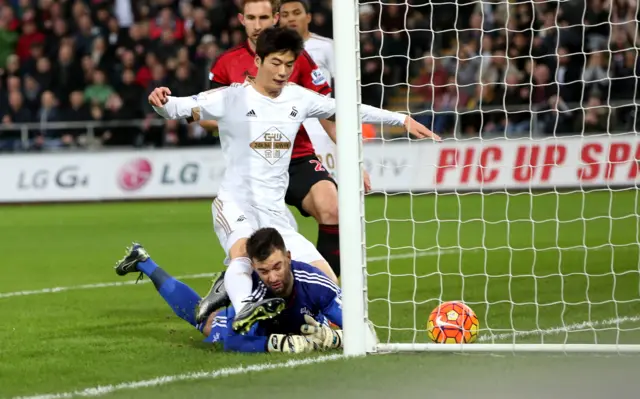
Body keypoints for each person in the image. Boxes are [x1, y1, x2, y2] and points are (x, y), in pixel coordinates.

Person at [147, 26, 440, 333]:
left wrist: (402, 119)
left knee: (328, 282)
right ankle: (246, 308)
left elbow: (350, 110)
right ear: (258, 61)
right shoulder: (231, 98)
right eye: (276, 63)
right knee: (244, 254)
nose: (282, 72)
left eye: (289, 64)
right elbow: (177, 106)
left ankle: (302, 321)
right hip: (235, 203)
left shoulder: (298, 99)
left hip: (275, 215)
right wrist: (160, 100)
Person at [200, 0, 347, 279]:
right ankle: (254, 291)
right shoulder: (225, 63)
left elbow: (328, 113)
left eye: (264, 17)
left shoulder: (299, 57)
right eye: (252, 18)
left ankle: (327, 292)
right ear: (242, 19)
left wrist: (354, 159)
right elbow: (206, 115)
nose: (258, 26)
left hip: (295, 155)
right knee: (253, 243)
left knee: (332, 208)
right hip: (254, 165)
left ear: (275, 18)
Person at [113, 227, 343, 353]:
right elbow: (233, 342)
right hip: (263, 324)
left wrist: (337, 338)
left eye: (277, 267)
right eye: (263, 271)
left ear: (289, 258)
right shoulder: (251, 288)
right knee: (206, 323)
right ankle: (144, 262)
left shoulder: (315, 284)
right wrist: (276, 344)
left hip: (306, 321)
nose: (272, 277)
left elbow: (363, 328)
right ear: (253, 267)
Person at [279, 0, 340, 181]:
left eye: (296, 12)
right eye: (285, 14)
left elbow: (343, 85)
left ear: (308, 17)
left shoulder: (326, 46)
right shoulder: (274, 51)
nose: (291, 18)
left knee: (330, 192)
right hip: (288, 132)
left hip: (321, 130)